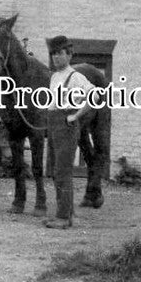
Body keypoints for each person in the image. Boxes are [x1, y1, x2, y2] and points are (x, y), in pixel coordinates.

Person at [44, 35, 94, 230]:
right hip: (54, 123)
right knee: (56, 171)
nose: (56, 58)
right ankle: (67, 212)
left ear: (69, 55)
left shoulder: (76, 76)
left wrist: (75, 116)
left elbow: (94, 96)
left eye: (60, 54)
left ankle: (63, 217)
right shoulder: (55, 76)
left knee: (62, 171)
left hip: (66, 126)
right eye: (53, 54)